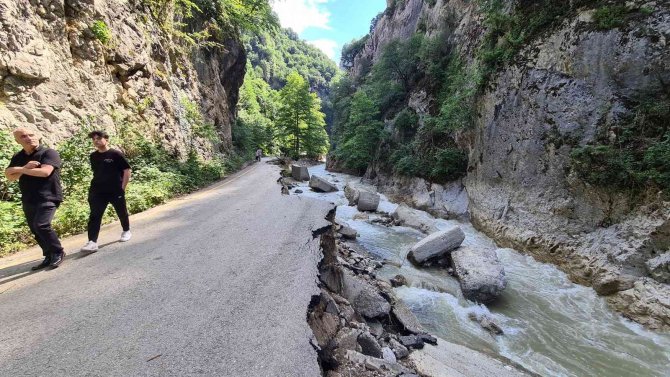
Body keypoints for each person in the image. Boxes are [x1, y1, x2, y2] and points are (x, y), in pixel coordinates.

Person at [4, 127, 66, 270]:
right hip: (29, 198)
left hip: (48, 195)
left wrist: (20, 170)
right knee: (35, 229)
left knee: (42, 225)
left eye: (31, 134)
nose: (28, 138)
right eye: (23, 136)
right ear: (17, 141)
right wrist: (25, 167)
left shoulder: (48, 153)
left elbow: (45, 172)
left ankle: (58, 251)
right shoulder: (18, 157)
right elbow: (9, 175)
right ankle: (48, 255)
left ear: (37, 135)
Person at [80, 130, 132, 252]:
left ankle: (126, 230)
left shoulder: (116, 154)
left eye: (98, 138)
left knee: (121, 211)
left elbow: (127, 170)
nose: (96, 141)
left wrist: (122, 188)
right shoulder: (93, 156)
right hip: (97, 190)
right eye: (93, 139)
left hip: (115, 189)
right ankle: (92, 242)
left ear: (106, 139)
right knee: (94, 215)